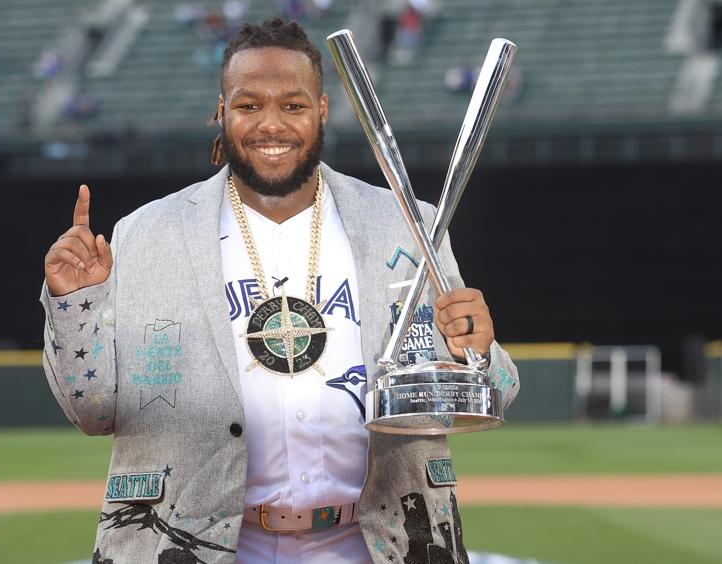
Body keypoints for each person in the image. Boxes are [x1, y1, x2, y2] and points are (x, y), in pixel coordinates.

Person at [39, 19, 520, 564]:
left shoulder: (405, 225)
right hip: (200, 544)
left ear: (322, 110)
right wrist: (76, 305)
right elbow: (94, 413)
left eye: (292, 105)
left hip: (375, 542)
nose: (271, 125)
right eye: (248, 106)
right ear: (221, 112)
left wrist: (472, 352)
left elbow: (493, 391)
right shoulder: (146, 234)